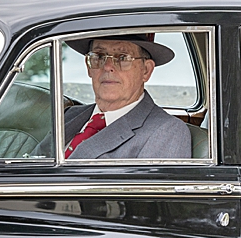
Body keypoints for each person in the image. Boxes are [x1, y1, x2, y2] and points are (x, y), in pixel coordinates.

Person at [52, 33, 192, 159]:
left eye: (123, 57)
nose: (107, 66)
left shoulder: (167, 132)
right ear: (89, 67)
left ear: (146, 70)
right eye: (99, 56)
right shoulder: (68, 115)